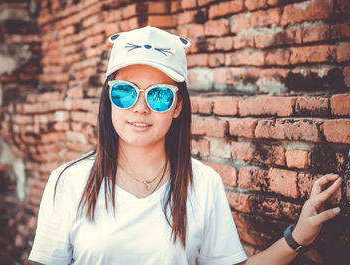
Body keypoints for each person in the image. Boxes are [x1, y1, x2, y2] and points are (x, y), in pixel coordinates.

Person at [28, 26, 342, 265]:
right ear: (108, 99)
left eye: (159, 95)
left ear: (178, 106)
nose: (140, 108)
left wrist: (298, 237)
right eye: (124, 92)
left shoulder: (203, 184)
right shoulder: (68, 181)